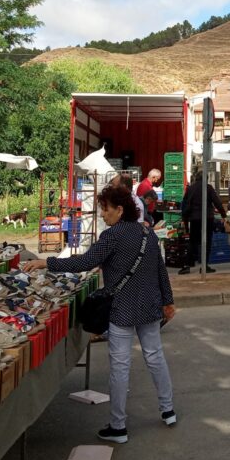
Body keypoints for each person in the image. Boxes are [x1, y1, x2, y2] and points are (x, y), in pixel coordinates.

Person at [23, 185, 176, 443]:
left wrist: (47, 262)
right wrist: (168, 301)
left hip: (122, 308)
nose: (102, 214)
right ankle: (168, 410)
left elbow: (83, 262)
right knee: (155, 357)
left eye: (105, 209)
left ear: (119, 209)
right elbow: (161, 270)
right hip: (149, 306)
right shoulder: (147, 233)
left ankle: (118, 427)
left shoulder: (112, 235)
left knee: (119, 366)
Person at [179, 170, 226, 275]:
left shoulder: (190, 189)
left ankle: (187, 265)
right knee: (207, 241)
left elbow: (185, 205)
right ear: (206, 179)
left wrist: (185, 221)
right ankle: (204, 266)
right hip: (207, 218)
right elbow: (217, 202)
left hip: (194, 218)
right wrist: (223, 215)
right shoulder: (208, 188)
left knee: (192, 241)